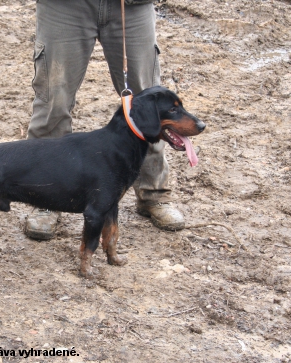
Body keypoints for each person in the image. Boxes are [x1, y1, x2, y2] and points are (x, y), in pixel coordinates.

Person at [25, 0, 184, 240]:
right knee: (52, 102)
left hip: (132, 6)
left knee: (148, 99)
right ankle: (44, 197)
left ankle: (155, 193)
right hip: (64, 7)